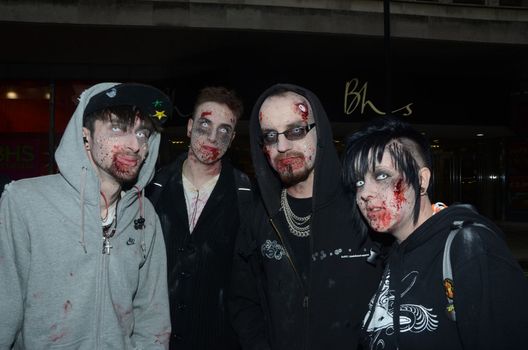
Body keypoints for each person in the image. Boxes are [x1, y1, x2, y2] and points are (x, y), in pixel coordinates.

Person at [0, 82, 172, 349]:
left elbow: (152, 317)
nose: (134, 144)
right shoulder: (25, 202)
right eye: (117, 127)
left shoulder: (144, 215)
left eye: (142, 133)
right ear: (85, 136)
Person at [342, 116, 528, 350]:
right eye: (359, 182)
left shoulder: (471, 247)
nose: (365, 193)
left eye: (382, 175)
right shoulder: (388, 253)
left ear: (422, 180)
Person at [229, 83, 381, 350]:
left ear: (318, 131)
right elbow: (243, 299)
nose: (283, 146)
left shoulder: (365, 207)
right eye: (270, 137)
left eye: (296, 131)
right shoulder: (257, 216)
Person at [146, 86, 250, 350]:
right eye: (205, 124)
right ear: (190, 127)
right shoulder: (153, 188)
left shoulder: (246, 196)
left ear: (233, 137)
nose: (213, 137)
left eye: (224, 130)